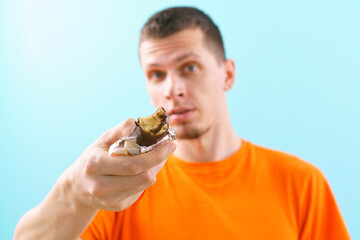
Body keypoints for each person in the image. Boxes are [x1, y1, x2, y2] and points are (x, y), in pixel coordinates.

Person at [14, 7, 350, 240]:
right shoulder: (119, 187)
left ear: (228, 74)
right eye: (156, 74)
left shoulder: (302, 183)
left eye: (189, 67)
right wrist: (74, 191)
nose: (172, 89)